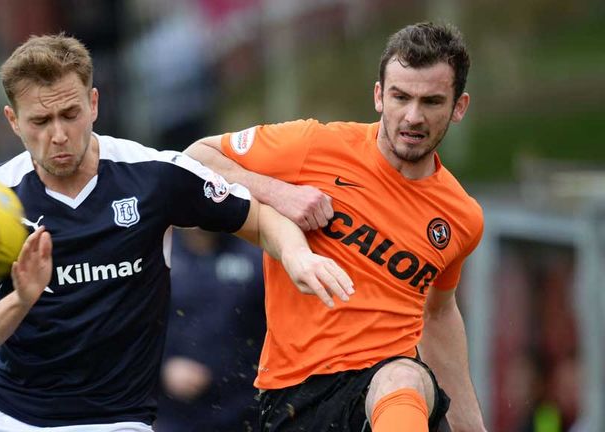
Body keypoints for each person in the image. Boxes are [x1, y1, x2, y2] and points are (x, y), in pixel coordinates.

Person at [0, 33, 353, 432]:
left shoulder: (154, 175)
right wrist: (21, 299)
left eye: (70, 114)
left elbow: (260, 217)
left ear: (93, 104)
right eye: (40, 120)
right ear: (13, 120)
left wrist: (298, 255)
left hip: (115, 419)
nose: (57, 134)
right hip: (7, 414)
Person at [185, 22, 486, 432]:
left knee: (402, 377)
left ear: (459, 107)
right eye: (401, 97)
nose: (413, 117)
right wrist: (278, 191)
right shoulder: (313, 146)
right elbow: (193, 160)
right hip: (295, 394)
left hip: (387, 392)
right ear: (379, 95)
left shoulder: (460, 217)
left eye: (432, 101)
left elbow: (439, 315)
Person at [157, 229, 265, 431]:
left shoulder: (255, 255)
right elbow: (129, 329)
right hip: (173, 413)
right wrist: (162, 368)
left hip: (244, 406)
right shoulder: (155, 256)